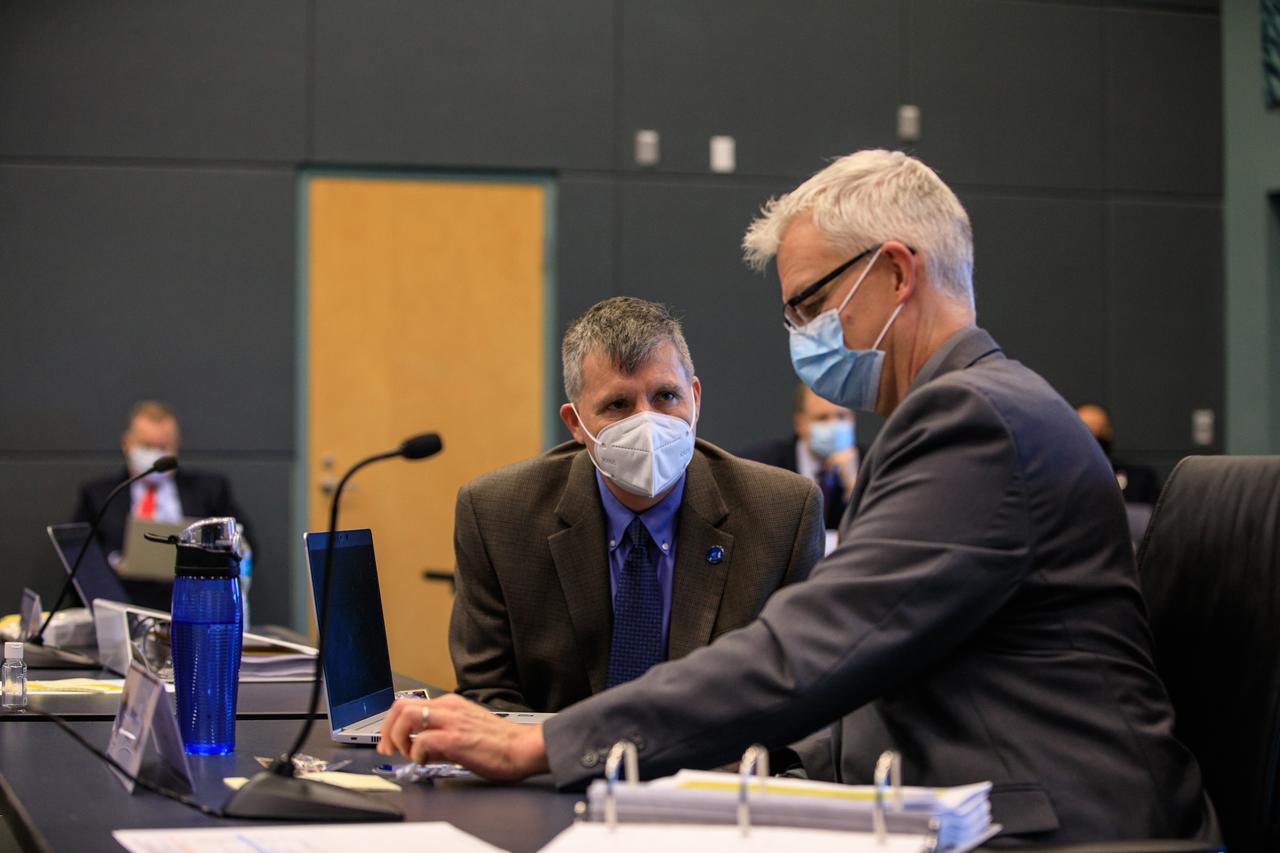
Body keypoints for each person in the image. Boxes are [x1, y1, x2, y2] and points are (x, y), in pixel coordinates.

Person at [380, 151, 1213, 845]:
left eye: (811, 306)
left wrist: (548, 737)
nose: (802, 339)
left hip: (1061, 827)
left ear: (894, 272)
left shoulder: (974, 418)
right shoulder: (970, 408)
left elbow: (809, 652)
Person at [448, 296, 825, 712]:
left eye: (666, 396)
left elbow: (809, 693)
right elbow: (488, 696)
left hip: (715, 768)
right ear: (575, 423)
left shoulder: (784, 512)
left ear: (695, 399)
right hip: (553, 770)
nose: (647, 422)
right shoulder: (496, 515)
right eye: (618, 405)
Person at [72, 400, 252, 610]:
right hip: (122, 604)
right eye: (147, 446)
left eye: (163, 447)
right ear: (126, 443)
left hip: (192, 604)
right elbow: (80, 559)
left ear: (176, 447)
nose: (155, 454)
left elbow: (245, 545)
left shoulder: (210, 491)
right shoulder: (101, 495)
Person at [740, 383, 859, 529]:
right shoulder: (762, 465)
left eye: (841, 416)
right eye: (822, 418)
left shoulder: (872, 464)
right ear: (800, 424)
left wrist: (853, 486)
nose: (834, 425)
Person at [1075, 403, 1161, 504]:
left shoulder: (1139, 480)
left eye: (1100, 430)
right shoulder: (1061, 483)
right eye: (1087, 430)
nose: (1095, 435)